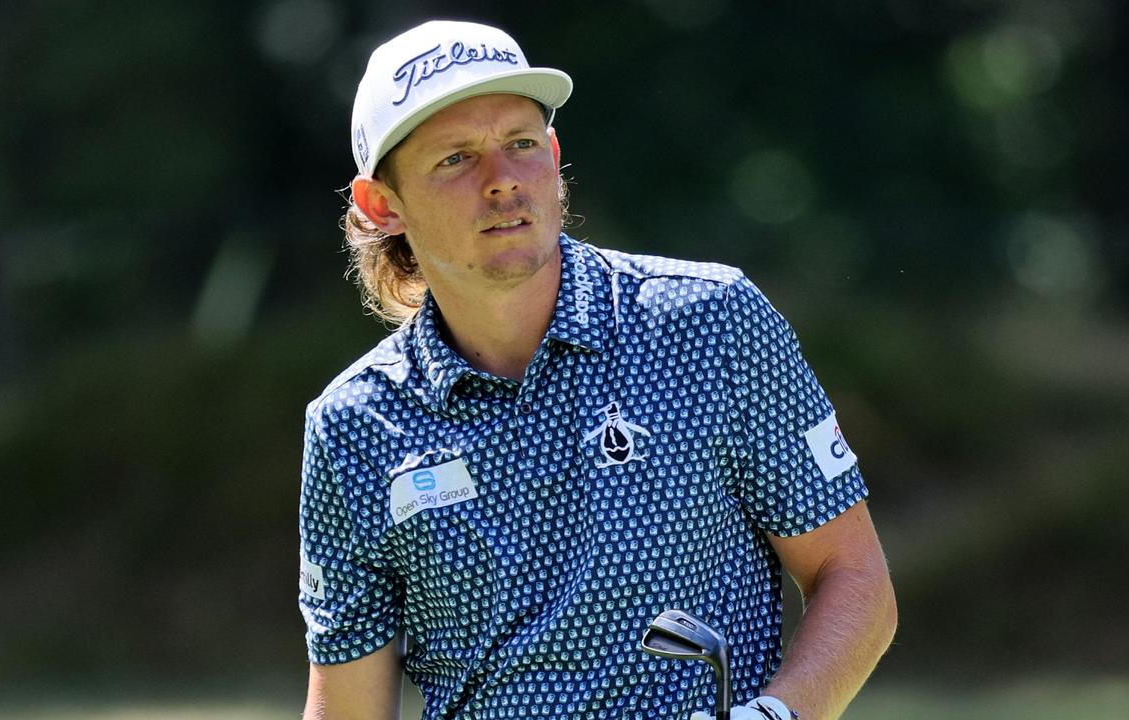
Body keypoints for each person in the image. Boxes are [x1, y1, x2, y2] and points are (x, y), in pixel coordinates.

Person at [299, 19, 896, 720]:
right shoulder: (352, 427)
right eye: (456, 159)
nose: (501, 182)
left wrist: (780, 715)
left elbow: (852, 577)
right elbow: (348, 709)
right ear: (382, 205)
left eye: (520, 145)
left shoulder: (711, 322)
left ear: (552, 156)